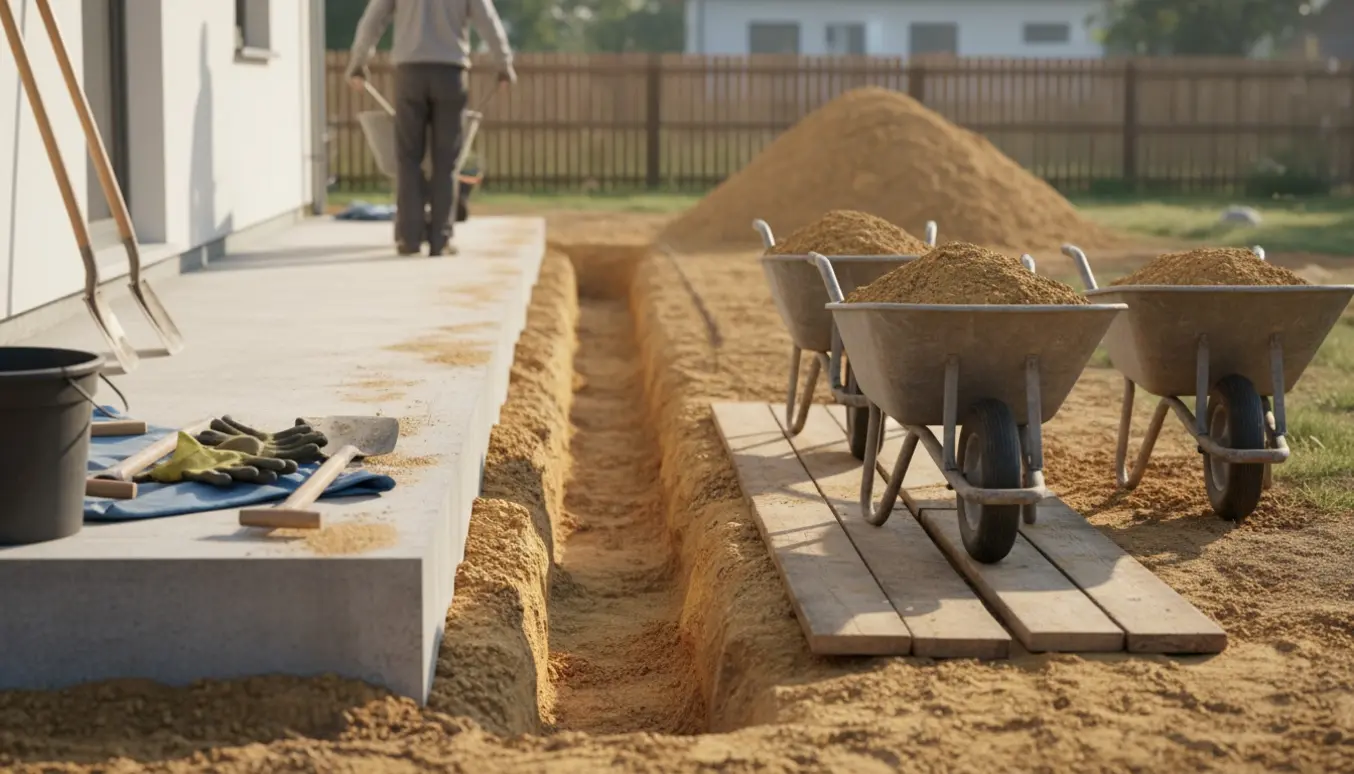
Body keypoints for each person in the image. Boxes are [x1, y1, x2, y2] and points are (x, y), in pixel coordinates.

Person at [345, 0, 515, 256]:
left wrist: (358, 62)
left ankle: (409, 239)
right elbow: (489, 23)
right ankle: (440, 239)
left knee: (409, 158)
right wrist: (503, 65)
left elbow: (373, 19)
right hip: (450, 74)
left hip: (409, 74)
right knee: (446, 161)